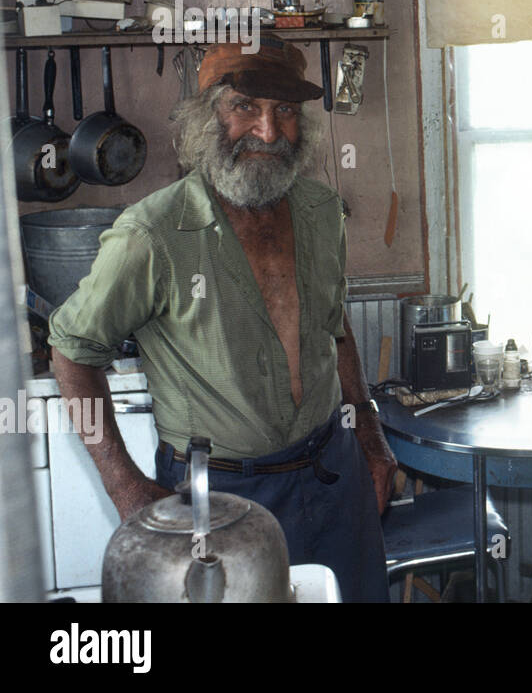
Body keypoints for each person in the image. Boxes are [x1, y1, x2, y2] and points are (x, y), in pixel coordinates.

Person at [48, 38, 396, 601]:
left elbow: (335, 327)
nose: (267, 130)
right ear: (206, 118)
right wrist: (128, 489)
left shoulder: (320, 211)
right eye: (245, 107)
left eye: (284, 111)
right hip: (218, 499)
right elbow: (71, 352)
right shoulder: (153, 234)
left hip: (335, 473)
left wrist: (371, 435)